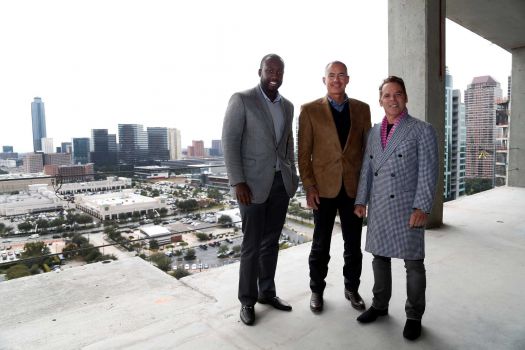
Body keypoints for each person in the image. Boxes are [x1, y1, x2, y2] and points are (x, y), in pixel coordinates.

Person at [354, 76, 439, 340]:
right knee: (379, 259)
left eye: (398, 94)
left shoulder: (422, 129)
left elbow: (428, 171)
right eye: (387, 95)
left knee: (413, 264)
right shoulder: (373, 130)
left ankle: (414, 315)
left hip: (407, 207)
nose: (393, 99)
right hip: (379, 204)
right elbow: (367, 168)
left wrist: (422, 207)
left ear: (405, 98)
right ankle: (379, 305)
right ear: (380, 100)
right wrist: (360, 200)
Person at [222, 53, 299, 326]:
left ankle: (267, 292)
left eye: (279, 71)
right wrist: (237, 181)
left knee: (271, 243)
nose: (274, 75)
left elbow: (288, 143)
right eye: (270, 70)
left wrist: (293, 172)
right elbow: (230, 142)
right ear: (260, 72)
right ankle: (247, 301)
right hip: (251, 186)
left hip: (280, 184)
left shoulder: (288, 106)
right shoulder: (242, 100)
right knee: (251, 246)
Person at [298, 61, 371, 313]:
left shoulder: (362, 109)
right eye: (332, 75)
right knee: (321, 245)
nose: (336, 80)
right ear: (324, 80)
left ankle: (352, 289)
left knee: (353, 245)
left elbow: (367, 151)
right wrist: (309, 187)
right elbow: (303, 154)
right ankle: (316, 290)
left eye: (341, 76)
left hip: (353, 189)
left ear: (348, 79)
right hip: (323, 189)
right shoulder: (309, 110)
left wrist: (365, 191)